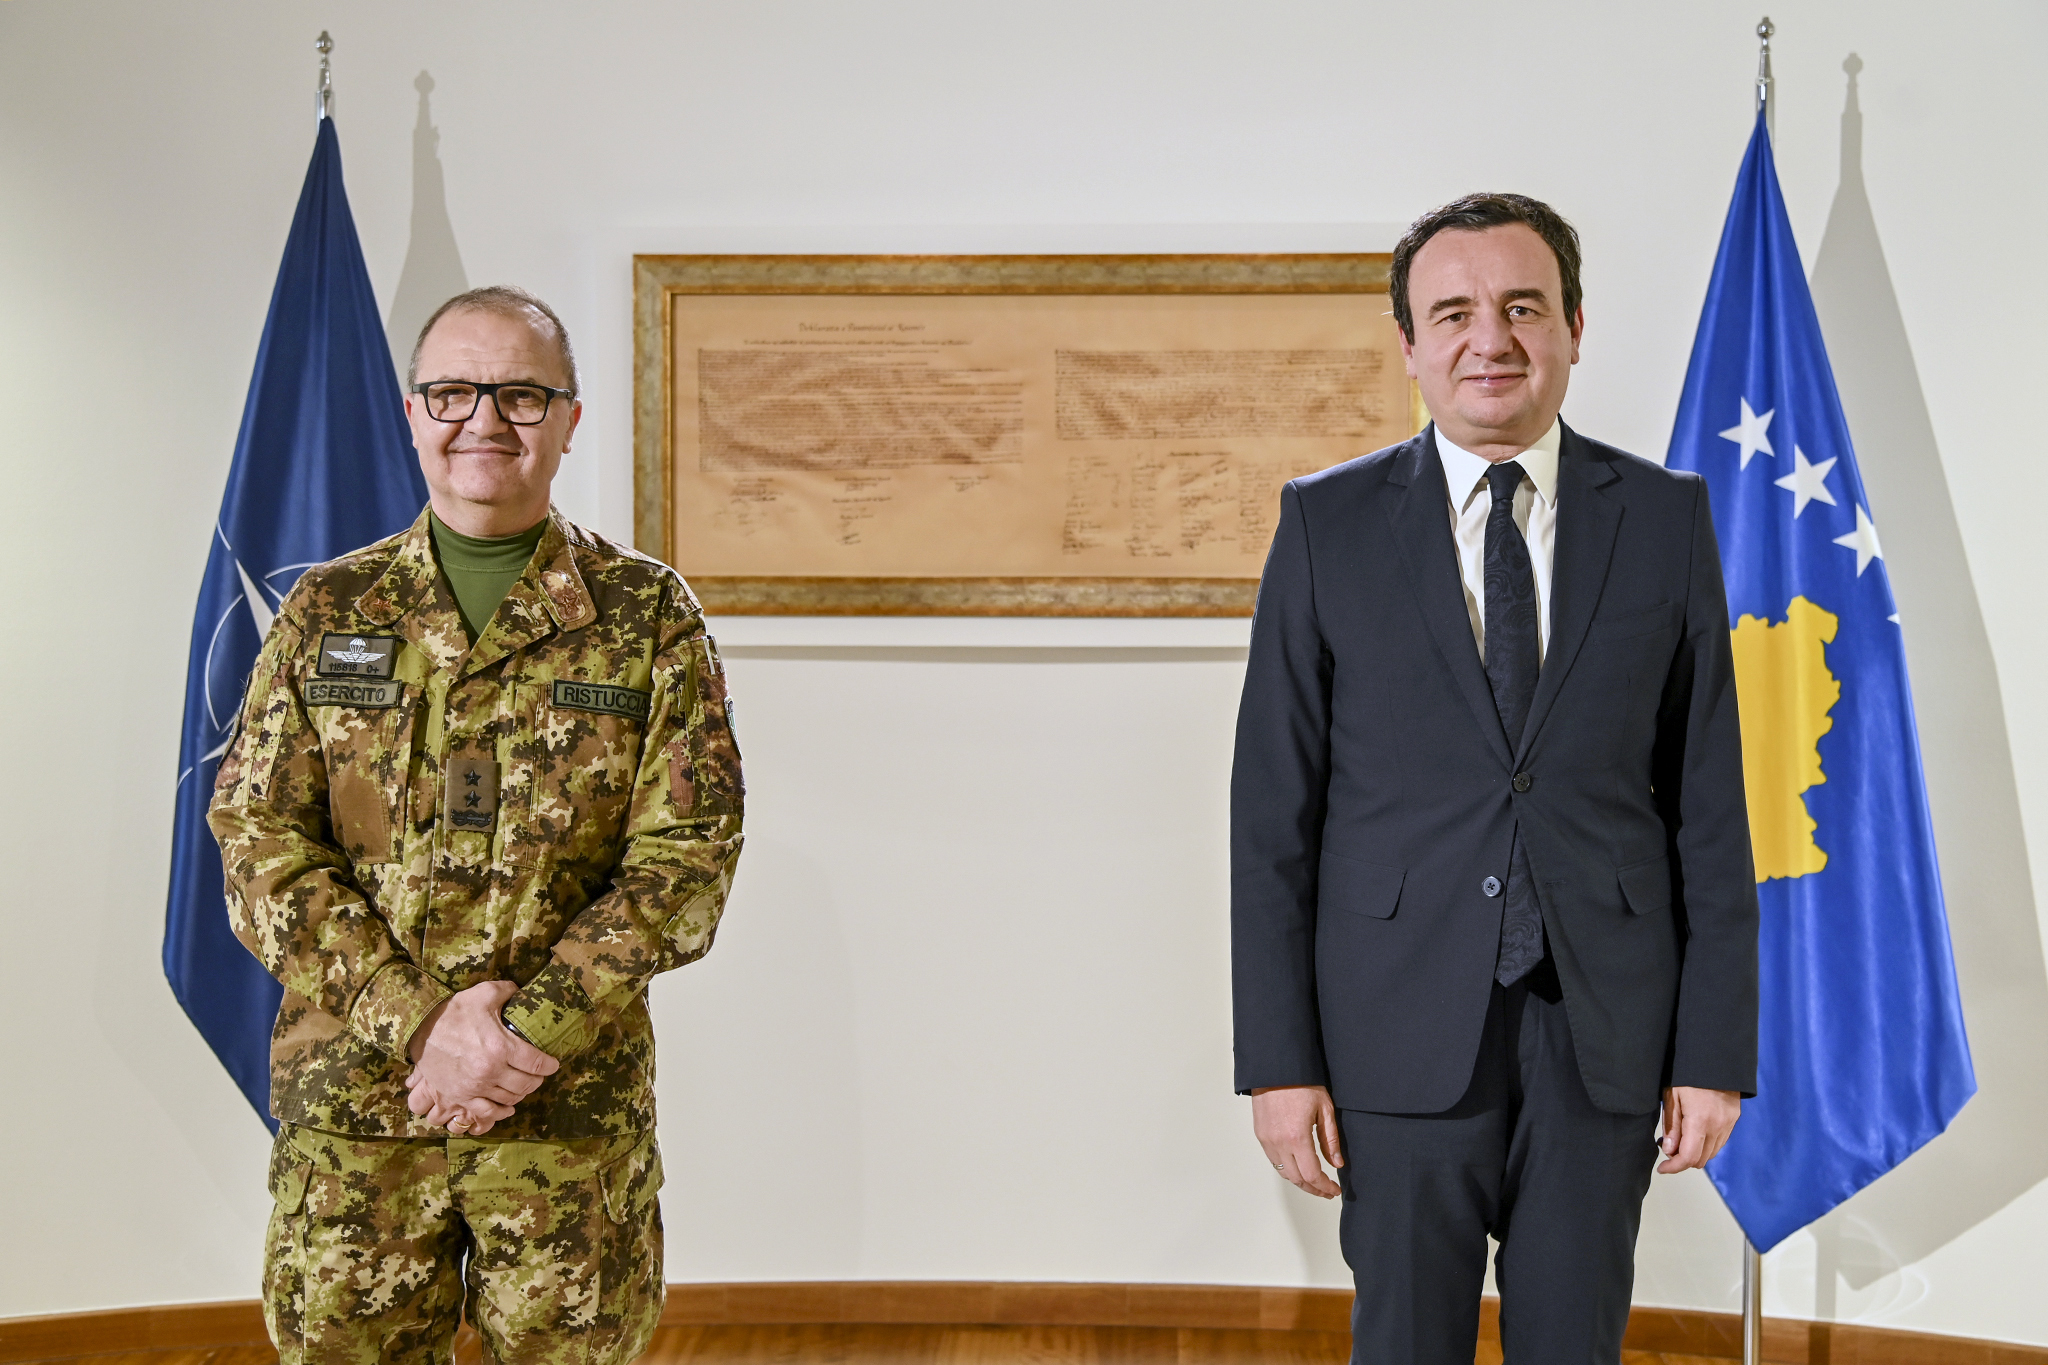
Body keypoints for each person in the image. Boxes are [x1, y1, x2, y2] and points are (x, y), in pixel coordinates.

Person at [1230, 194, 1758, 1364]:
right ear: (1408, 347)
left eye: (1522, 307)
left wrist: (1714, 1054)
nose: (1491, 339)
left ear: (1573, 326)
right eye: (1453, 312)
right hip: (1392, 1033)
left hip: (1602, 1033)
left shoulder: (1665, 521)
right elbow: (1272, 815)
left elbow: (1709, 808)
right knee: (1407, 1344)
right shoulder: (1324, 526)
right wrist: (1278, 1064)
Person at [210, 285, 743, 1365]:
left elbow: (687, 857)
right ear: (412, 413)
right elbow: (258, 842)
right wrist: (419, 1022)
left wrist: (519, 1034)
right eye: (452, 391)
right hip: (358, 1107)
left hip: (561, 1115)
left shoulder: (644, 613)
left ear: (570, 419)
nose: (483, 421)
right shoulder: (329, 609)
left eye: (520, 394)